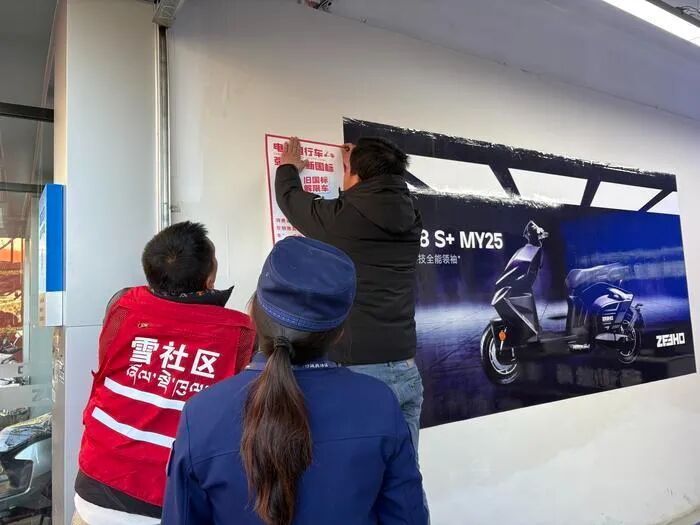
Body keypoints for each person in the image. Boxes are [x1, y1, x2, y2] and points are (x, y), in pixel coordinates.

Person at [162, 236, 428, 525]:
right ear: (338, 333)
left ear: (253, 313)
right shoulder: (378, 404)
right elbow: (407, 517)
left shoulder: (201, 414)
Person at [73, 222, 256, 525]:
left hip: (93, 489)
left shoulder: (122, 309)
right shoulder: (241, 334)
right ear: (210, 278)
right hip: (170, 504)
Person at [275, 136, 424, 448]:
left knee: (361, 471)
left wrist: (287, 168)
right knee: (404, 471)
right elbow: (375, 199)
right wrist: (358, 166)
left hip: (362, 371)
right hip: (405, 367)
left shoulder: (342, 218)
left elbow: (291, 200)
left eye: (346, 171)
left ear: (356, 176)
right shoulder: (412, 217)